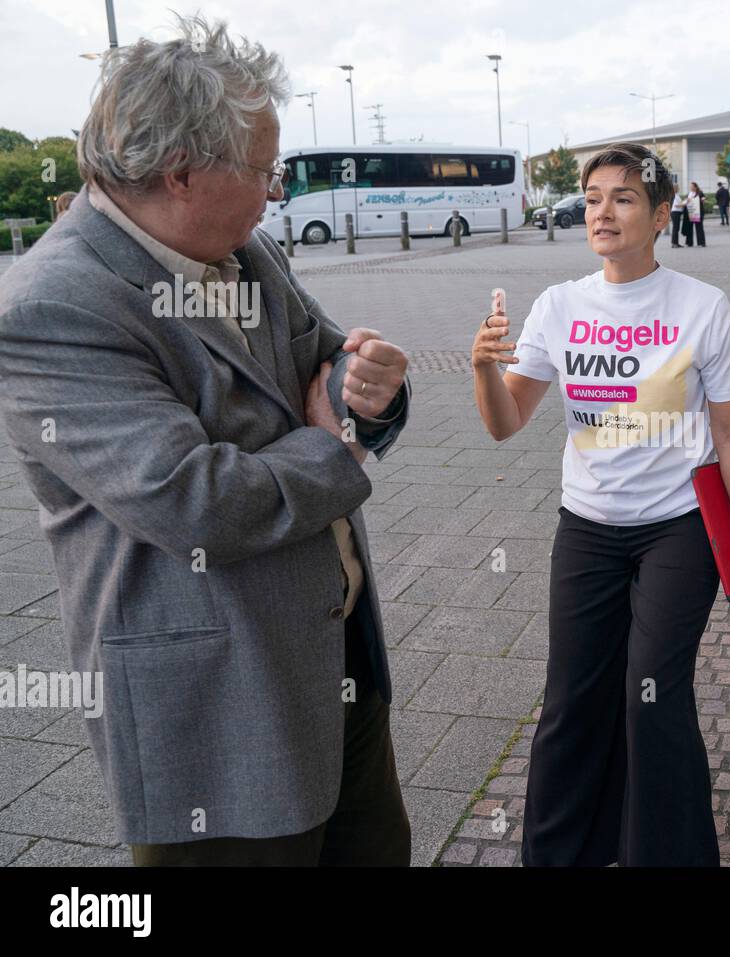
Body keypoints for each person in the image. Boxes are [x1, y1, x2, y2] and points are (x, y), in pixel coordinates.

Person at [0, 14, 414, 866]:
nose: (274, 190)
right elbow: (198, 502)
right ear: (182, 171)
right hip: (221, 706)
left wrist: (371, 381)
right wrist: (337, 443)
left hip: (338, 660)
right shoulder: (53, 305)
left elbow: (330, 363)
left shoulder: (246, 250)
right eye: (264, 168)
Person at [471, 141, 730, 866]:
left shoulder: (701, 309)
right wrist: (483, 368)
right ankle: (559, 852)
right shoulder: (561, 306)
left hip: (679, 529)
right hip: (589, 528)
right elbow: (506, 422)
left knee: (654, 696)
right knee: (572, 699)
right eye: (594, 197)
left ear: (662, 214)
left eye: (625, 197)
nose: (603, 211)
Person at [685, 181, 706, 247]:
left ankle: (701, 242)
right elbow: (686, 201)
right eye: (690, 186)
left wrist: (703, 199)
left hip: (698, 213)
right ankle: (689, 243)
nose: (691, 188)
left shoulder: (700, 193)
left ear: (695, 187)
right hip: (691, 212)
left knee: (699, 228)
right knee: (689, 228)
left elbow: (703, 199)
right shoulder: (689, 193)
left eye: (692, 186)